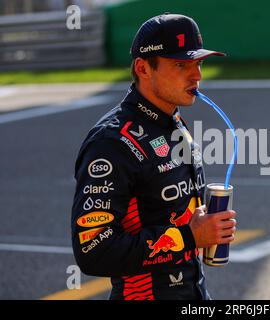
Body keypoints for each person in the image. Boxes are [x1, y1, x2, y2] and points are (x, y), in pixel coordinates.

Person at [71, 13, 237, 300]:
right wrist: (190, 237)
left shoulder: (174, 122)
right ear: (143, 68)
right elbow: (93, 252)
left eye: (198, 63)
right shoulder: (111, 143)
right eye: (181, 65)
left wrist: (203, 227)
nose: (197, 75)